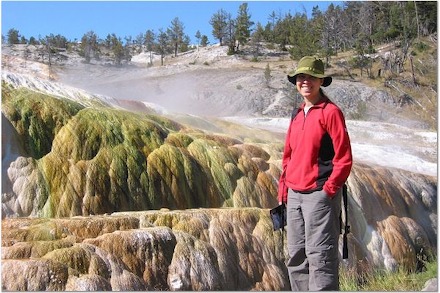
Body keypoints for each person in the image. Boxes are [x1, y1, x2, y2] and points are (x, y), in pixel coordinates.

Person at [278, 56, 353, 291]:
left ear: (321, 81)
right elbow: (288, 155)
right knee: (297, 256)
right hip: (294, 195)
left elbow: (344, 158)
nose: (305, 81)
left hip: (318, 194)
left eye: (311, 77)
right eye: (301, 77)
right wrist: (284, 189)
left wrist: (328, 191)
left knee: (320, 256)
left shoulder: (331, 112)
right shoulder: (297, 113)